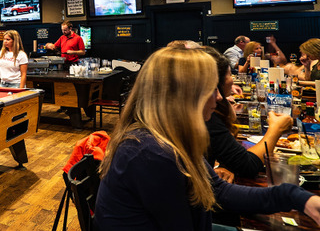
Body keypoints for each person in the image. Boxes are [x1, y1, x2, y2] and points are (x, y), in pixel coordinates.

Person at [95, 46, 320, 230]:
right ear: (183, 96)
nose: (220, 97)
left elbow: (219, 191)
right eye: (212, 88)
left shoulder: (170, 137)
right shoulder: (151, 153)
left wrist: (297, 197)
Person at [201, 46, 292, 181]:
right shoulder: (208, 118)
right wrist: (276, 129)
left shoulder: (211, 111)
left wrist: (222, 166)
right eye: (230, 75)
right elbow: (247, 166)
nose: (232, 80)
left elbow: (224, 154)